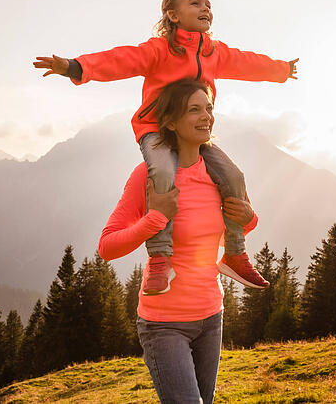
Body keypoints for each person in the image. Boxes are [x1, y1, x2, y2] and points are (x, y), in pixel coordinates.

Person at [33, 0, 297, 295]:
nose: (205, 8)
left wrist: (281, 70)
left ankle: (235, 253)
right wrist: (76, 67)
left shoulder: (214, 53)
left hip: (196, 136)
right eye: (195, 3)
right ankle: (160, 258)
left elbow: (246, 63)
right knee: (162, 172)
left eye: (208, 4)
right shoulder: (159, 50)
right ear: (172, 15)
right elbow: (121, 60)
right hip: (155, 130)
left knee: (233, 176)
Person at [98, 79, 257, 403]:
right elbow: (107, 247)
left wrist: (250, 218)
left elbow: (230, 230)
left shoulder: (220, 176)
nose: (206, 117)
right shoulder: (148, 176)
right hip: (164, 324)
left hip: (211, 317)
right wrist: (155, 218)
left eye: (209, 108)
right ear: (170, 122)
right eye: (194, 110)